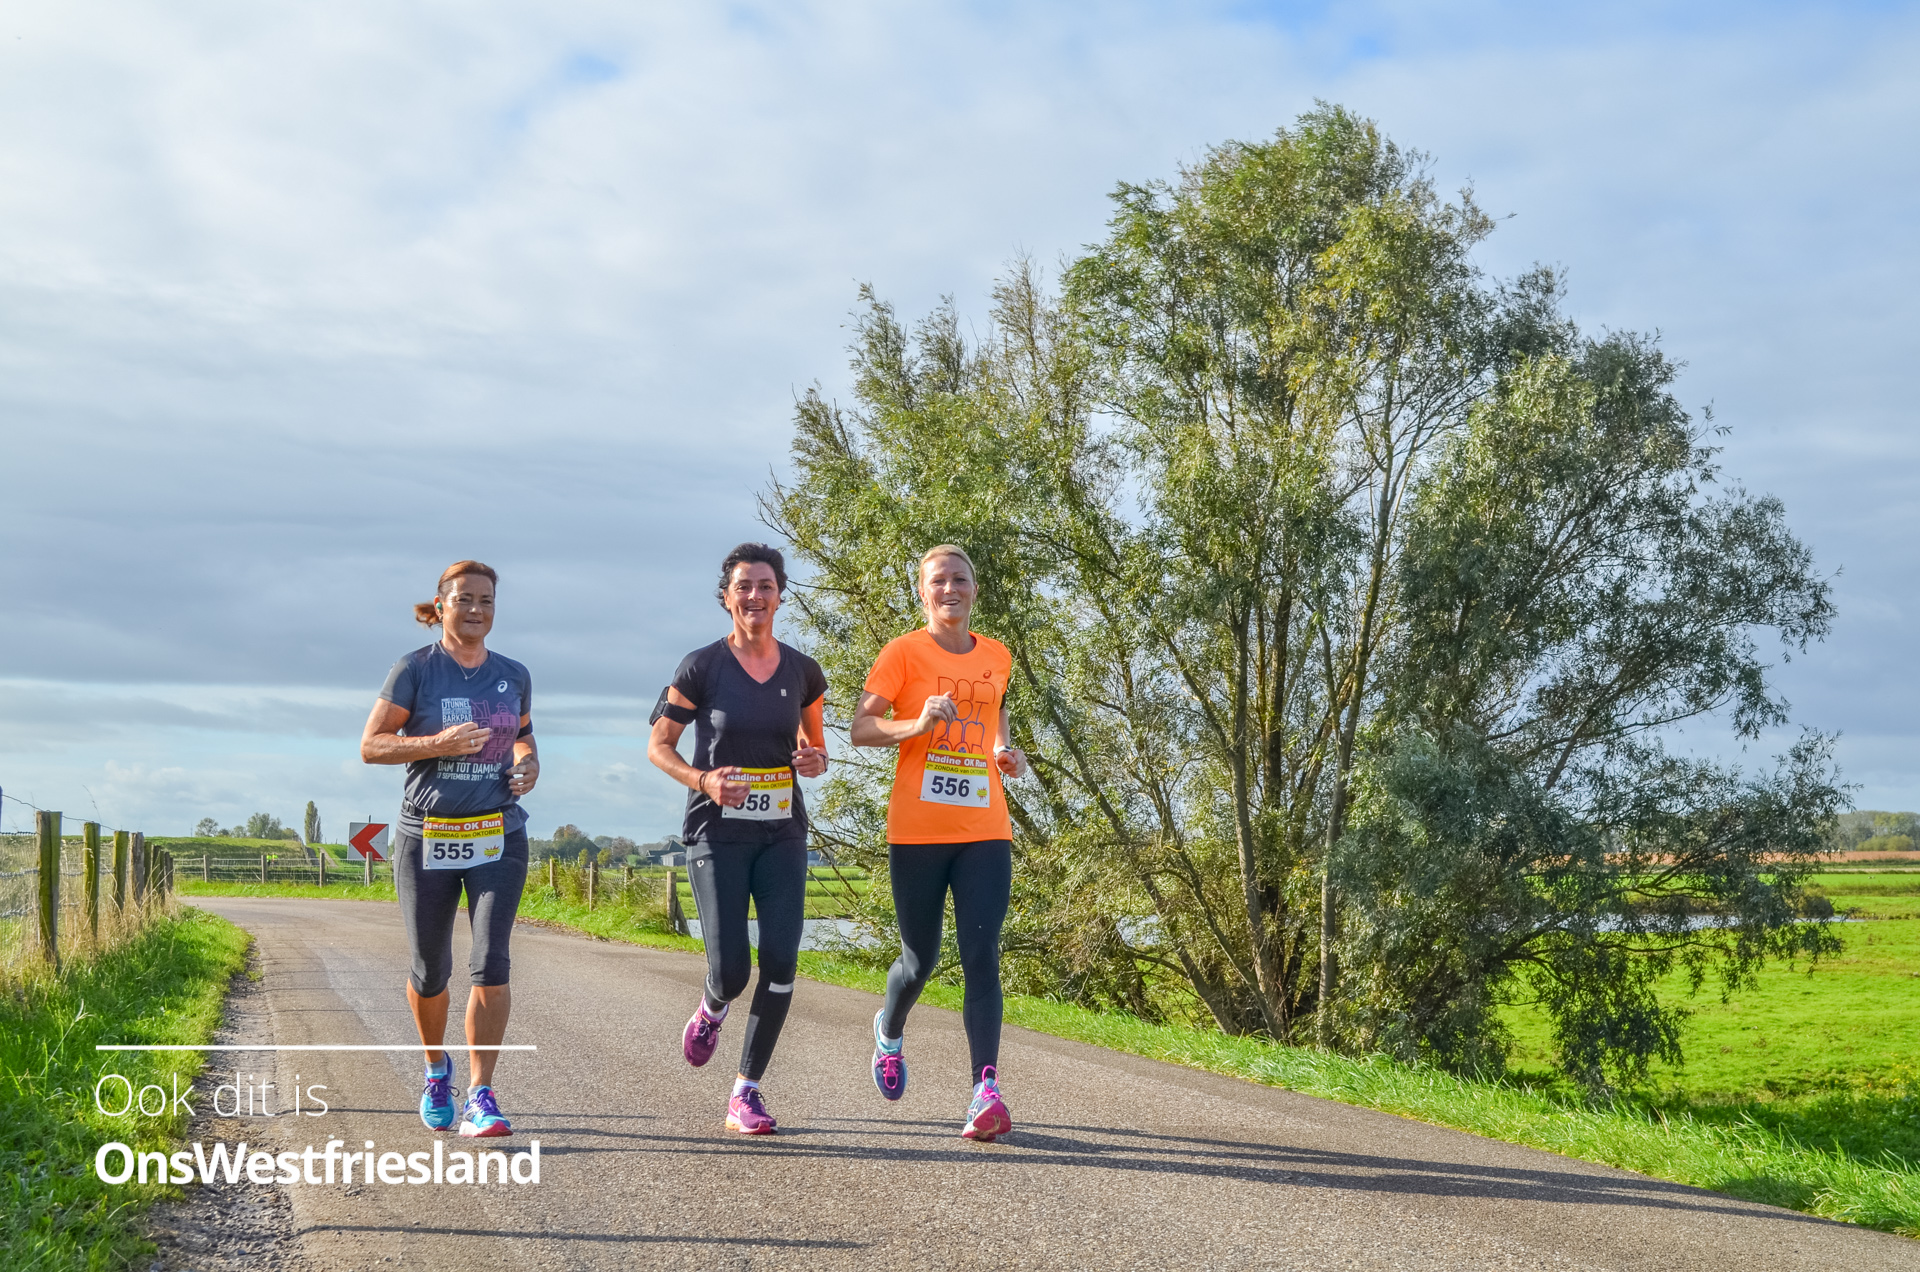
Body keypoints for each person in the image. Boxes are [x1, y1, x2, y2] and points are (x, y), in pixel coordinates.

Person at [648, 542, 827, 1135]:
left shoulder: (803, 671)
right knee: (731, 970)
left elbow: (815, 747)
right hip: (715, 833)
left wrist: (813, 760)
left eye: (767, 586)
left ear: (781, 595)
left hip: (781, 832)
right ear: (726, 597)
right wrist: (703, 780)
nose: (756, 596)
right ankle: (712, 1006)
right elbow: (659, 746)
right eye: (744, 586)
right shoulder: (701, 667)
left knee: (781, 961)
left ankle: (746, 1090)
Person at [852, 545, 1027, 1142]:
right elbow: (860, 728)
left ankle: (986, 1089)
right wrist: (916, 724)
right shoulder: (902, 653)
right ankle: (889, 1030)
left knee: (982, 955)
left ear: (975, 590)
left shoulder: (998, 656)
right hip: (918, 831)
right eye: (938, 581)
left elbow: (995, 714)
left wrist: (1006, 752)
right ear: (922, 593)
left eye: (960, 579)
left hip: (985, 828)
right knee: (920, 960)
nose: (949, 588)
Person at [360, 560, 538, 1138]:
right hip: (427, 837)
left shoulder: (514, 674)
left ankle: (482, 1096)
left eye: (487, 600)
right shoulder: (414, 670)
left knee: (491, 960)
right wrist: (435, 743)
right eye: (465, 600)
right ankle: (437, 1068)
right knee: (430, 968)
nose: (477, 610)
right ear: (440, 607)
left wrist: (527, 764)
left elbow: (524, 738)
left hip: (497, 834)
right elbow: (372, 746)